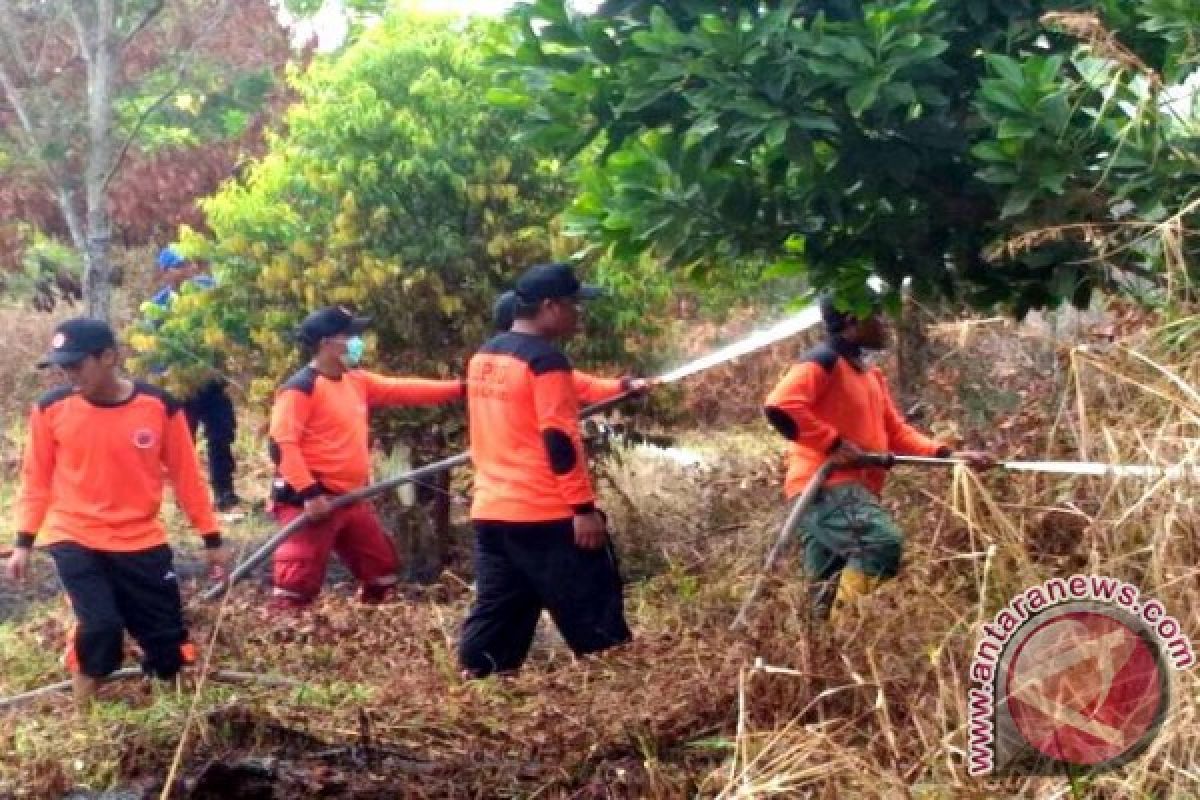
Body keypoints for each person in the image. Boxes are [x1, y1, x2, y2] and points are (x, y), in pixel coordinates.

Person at [5, 318, 229, 710]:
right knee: (101, 627)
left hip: (141, 539)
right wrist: (23, 541)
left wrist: (210, 537)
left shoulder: (160, 407)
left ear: (108, 356)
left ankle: (171, 716)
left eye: (77, 365)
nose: (69, 375)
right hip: (74, 535)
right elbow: (35, 480)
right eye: (63, 367)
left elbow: (187, 478)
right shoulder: (50, 410)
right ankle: (84, 723)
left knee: (165, 638)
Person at [763, 289, 995, 625]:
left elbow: (897, 434)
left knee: (822, 594)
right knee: (881, 544)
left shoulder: (870, 375)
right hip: (826, 486)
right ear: (852, 320)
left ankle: (823, 657)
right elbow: (781, 406)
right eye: (876, 315)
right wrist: (832, 444)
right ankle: (846, 631)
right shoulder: (822, 361)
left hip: (853, 488)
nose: (884, 323)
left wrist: (947, 455)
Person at [459, 263, 633, 679]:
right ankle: (619, 699)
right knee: (597, 621)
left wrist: (620, 388)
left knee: (499, 614)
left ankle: (478, 689)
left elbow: (570, 386)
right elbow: (559, 441)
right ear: (551, 307)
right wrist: (582, 509)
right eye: (574, 304)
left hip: (493, 513)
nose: (579, 314)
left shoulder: (485, 357)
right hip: (547, 515)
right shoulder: (546, 360)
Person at [266, 306, 465, 611]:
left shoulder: (355, 380)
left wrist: (463, 389)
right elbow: (282, 446)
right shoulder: (300, 389)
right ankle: (284, 641)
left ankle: (371, 626)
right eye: (349, 335)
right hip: (311, 501)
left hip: (352, 497)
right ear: (326, 343)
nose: (357, 342)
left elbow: (403, 389)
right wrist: (309, 493)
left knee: (381, 570)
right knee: (296, 583)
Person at [153, 247, 240, 512]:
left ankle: (225, 493)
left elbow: (230, 326)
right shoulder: (157, 307)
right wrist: (166, 381)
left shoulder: (211, 292)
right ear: (166, 273)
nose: (188, 270)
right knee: (183, 442)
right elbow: (157, 350)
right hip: (182, 385)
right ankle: (186, 498)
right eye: (179, 265)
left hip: (213, 381)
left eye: (191, 263)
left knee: (222, 434)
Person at [492, 289, 654, 403]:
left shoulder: (484, 360)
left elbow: (586, 387)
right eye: (571, 304)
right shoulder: (538, 365)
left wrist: (625, 385)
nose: (577, 311)